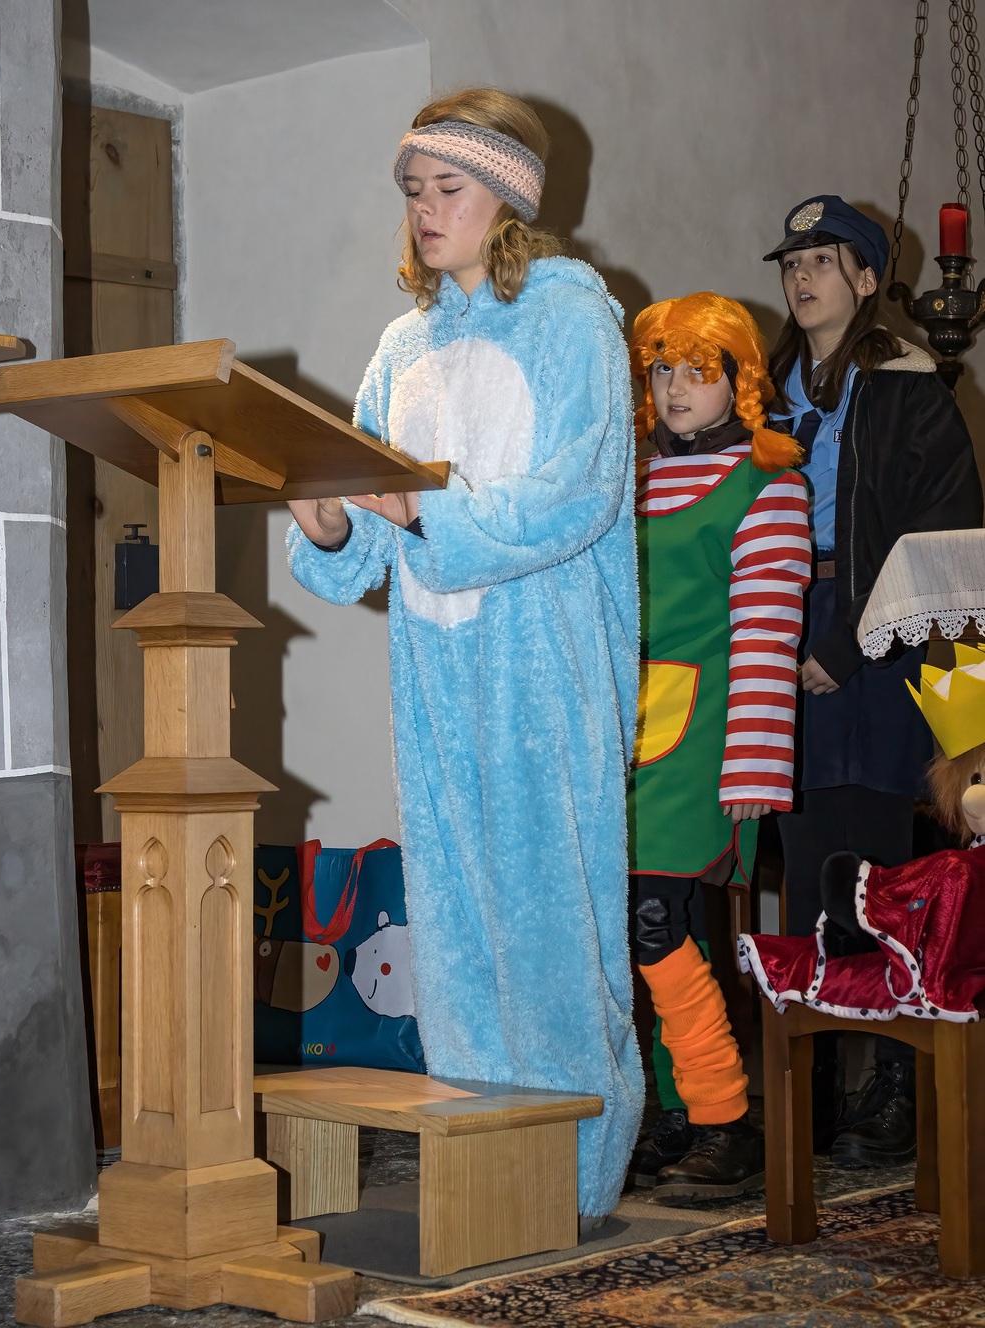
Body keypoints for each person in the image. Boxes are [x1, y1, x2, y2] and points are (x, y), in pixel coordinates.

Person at [285, 88, 644, 1222]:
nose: (425, 209)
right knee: (456, 930)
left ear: (508, 200)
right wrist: (330, 524)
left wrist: (422, 509)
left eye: (449, 188)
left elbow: (577, 494)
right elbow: (363, 536)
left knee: (553, 930)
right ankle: (491, 1172)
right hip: (435, 674)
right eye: (413, 190)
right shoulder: (403, 345)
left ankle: (575, 1182)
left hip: (547, 668)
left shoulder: (573, 316)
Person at [763, 194, 983, 1167]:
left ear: (864, 278)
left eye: (822, 260)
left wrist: (848, 643)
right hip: (781, 625)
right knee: (807, 861)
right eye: (791, 262)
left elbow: (941, 534)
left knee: (884, 872)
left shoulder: (910, 390)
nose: (801, 277)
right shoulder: (766, 396)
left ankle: (897, 1086)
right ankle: (808, 1088)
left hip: (881, 641)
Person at [627, 293, 810, 1201]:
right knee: (648, 929)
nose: (675, 389)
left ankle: (724, 1120)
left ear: (739, 380)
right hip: (623, 737)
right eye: (663, 369)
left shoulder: (768, 483)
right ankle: (675, 1113)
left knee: (656, 921)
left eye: (698, 371)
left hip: (706, 736)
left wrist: (756, 763)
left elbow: (768, 635)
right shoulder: (626, 481)